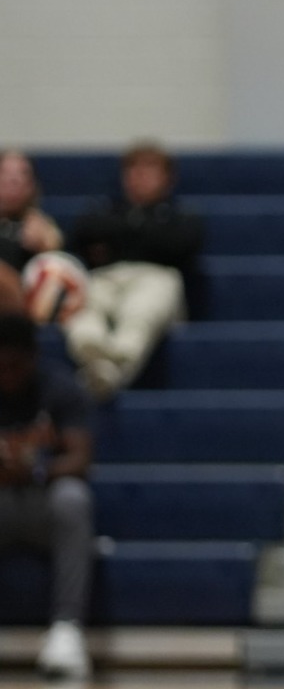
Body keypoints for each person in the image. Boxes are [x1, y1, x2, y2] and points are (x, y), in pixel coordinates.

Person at [63, 143, 203, 399]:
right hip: (105, 278)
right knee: (83, 304)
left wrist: (117, 238)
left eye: (150, 168)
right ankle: (100, 364)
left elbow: (181, 243)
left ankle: (110, 370)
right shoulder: (103, 210)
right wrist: (139, 234)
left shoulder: (181, 215)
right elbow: (83, 233)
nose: (140, 176)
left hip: (155, 278)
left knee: (141, 310)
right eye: (133, 169)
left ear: (168, 178)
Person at [0, 313, 94, 680]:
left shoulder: (58, 388)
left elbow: (80, 459)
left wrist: (35, 470)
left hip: (42, 504)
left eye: (14, 366)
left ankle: (67, 630)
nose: (6, 375)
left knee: (73, 498)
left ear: (33, 357)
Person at [0, 152, 63, 275]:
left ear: (32, 185)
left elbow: (58, 264)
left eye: (23, 173)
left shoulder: (42, 225)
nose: (13, 180)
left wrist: (45, 246)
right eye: (4, 172)